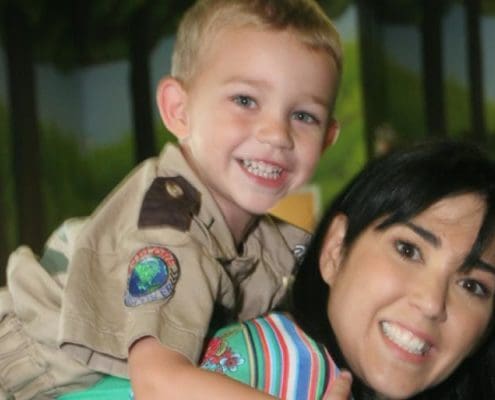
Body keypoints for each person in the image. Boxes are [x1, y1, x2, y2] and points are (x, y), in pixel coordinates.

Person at [0, 0, 342, 399]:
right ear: (179, 110)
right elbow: (160, 383)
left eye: (304, 116)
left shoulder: (271, 240)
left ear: (327, 139)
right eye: (246, 100)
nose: (277, 134)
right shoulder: (169, 225)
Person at [56, 139, 495, 400]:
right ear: (336, 250)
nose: (432, 301)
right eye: (409, 249)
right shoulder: (276, 366)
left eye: (473, 285)